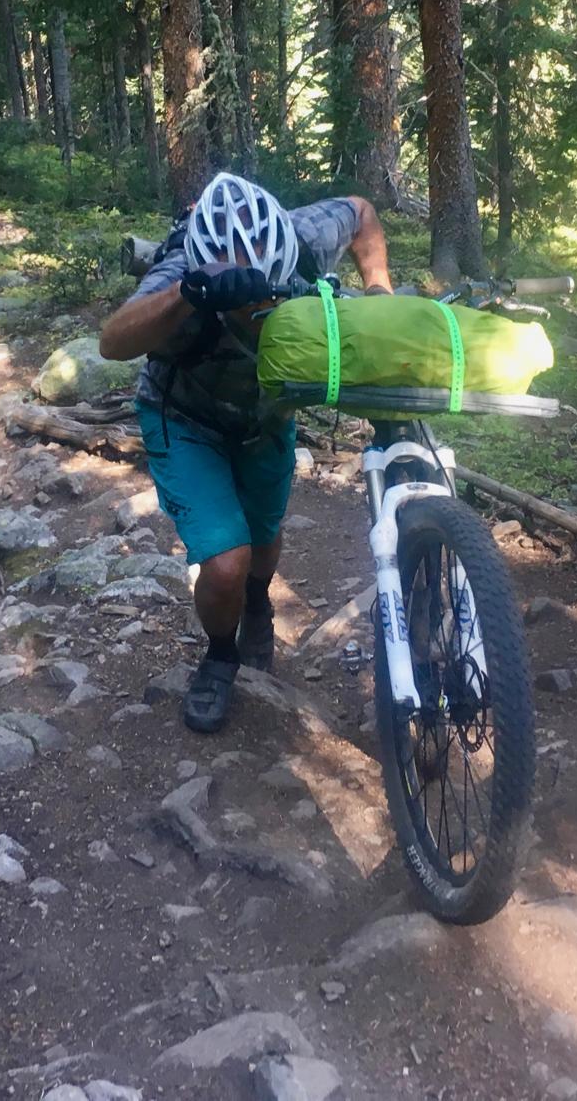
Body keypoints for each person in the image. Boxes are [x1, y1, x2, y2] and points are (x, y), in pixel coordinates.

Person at [98, 173, 392, 733]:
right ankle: (219, 655)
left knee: (264, 535)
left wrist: (379, 290)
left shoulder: (305, 236)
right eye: (246, 303)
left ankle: (259, 602)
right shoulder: (181, 269)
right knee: (226, 559)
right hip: (184, 417)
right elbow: (112, 341)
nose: (259, 309)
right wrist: (187, 296)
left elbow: (361, 211)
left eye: (269, 294)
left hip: (267, 416)